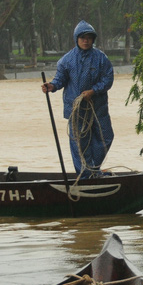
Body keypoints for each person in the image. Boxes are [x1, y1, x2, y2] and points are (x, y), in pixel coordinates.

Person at [41, 20, 114, 177]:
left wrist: (93, 91)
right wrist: (52, 86)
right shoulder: (67, 61)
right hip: (76, 109)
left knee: (106, 136)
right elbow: (59, 80)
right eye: (82, 38)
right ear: (77, 39)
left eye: (89, 37)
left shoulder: (101, 59)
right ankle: (85, 175)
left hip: (98, 107)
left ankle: (94, 168)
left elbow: (108, 79)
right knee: (80, 143)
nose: (86, 40)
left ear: (93, 39)